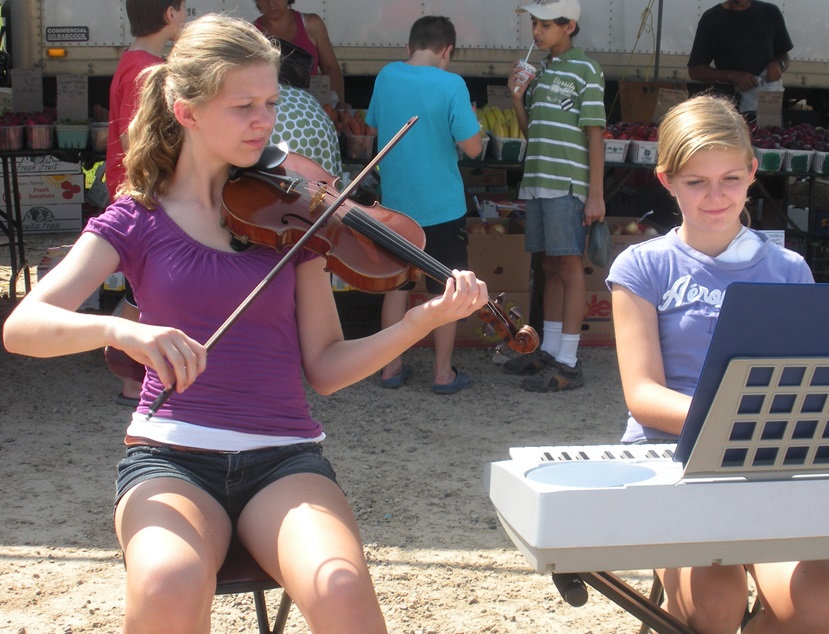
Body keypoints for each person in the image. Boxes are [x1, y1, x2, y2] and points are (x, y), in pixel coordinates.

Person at [2, 14, 487, 632]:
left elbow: (326, 367)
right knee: (168, 580)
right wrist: (121, 330)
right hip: (169, 457)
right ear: (186, 111)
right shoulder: (137, 218)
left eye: (270, 103)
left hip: (283, 458)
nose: (264, 122)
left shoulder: (294, 218)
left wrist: (423, 320)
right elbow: (24, 326)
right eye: (243, 107)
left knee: (340, 584)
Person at [606, 95, 829, 634]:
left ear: (753, 173)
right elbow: (643, 396)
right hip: (671, 458)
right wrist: (736, 420)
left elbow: (809, 384)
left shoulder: (790, 269)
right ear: (666, 180)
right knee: (715, 603)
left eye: (730, 179)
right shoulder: (642, 265)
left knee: (816, 602)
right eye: (696, 182)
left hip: (765, 462)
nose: (716, 196)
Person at [365, 16, 483, 394]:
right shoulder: (452, 84)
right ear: (447, 50)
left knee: (396, 288)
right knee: (446, 292)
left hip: (395, 206)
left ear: (409, 47)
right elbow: (473, 147)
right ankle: (442, 374)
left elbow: (372, 126)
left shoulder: (387, 75)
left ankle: (390, 368)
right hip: (442, 207)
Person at [502, 0, 606, 393]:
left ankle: (569, 362)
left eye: (545, 24)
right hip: (538, 183)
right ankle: (548, 351)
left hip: (567, 185)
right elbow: (534, 133)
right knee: (547, 268)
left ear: (569, 26)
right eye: (534, 23)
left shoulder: (587, 69)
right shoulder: (541, 71)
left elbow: (595, 134)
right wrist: (517, 98)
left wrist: (596, 195)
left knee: (569, 268)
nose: (536, 32)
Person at [105, 0, 187, 407]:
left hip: (139, 187)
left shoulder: (136, 60)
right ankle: (130, 377)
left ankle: (137, 375)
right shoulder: (145, 68)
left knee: (146, 288)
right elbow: (131, 138)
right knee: (144, 291)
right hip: (145, 190)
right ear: (170, 14)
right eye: (184, 9)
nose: (186, 16)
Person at [687, 0, 793, 116]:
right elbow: (695, 71)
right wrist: (732, 76)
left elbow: (784, 56)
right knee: (734, 128)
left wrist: (779, 64)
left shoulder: (770, 12)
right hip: (729, 107)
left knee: (769, 128)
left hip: (767, 103)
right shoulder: (712, 18)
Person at [254, 0, 346, 106]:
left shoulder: (311, 24)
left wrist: (339, 105)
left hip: (310, 106)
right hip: (271, 109)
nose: (271, 3)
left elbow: (330, 67)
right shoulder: (251, 34)